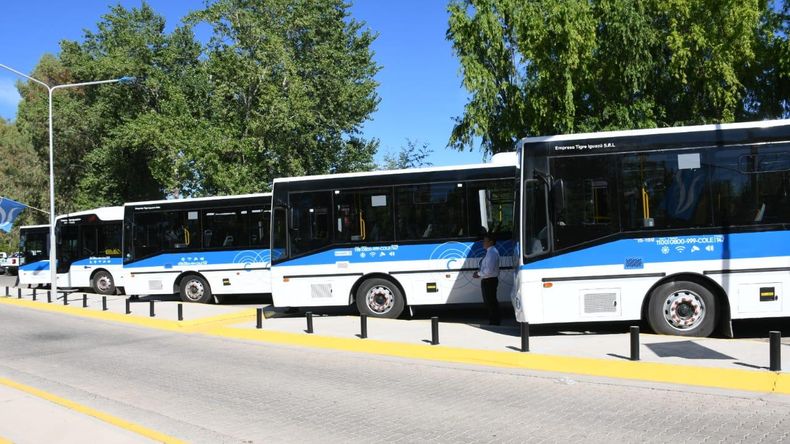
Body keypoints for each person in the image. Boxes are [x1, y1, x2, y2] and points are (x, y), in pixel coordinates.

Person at [473, 233, 501, 325]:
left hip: (490, 280)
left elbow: (489, 270)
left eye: (485, 241)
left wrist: (478, 274)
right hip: (487, 280)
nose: (483, 243)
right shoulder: (489, 252)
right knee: (489, 301)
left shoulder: (492, 252)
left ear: (491, 242)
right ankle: (493, 319)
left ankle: (495, 321)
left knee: (491, 301)